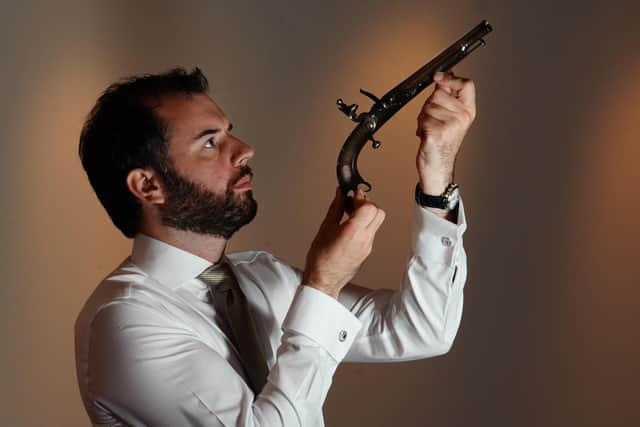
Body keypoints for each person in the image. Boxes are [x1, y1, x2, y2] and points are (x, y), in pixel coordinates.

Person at [74, 66, 475, 426]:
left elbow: (423, 329)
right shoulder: (125, 321)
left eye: (228, 131)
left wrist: (437, 173)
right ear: (148, 185)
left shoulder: (259, 276)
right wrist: (324, 284)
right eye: (210, 143)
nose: (244, 149)